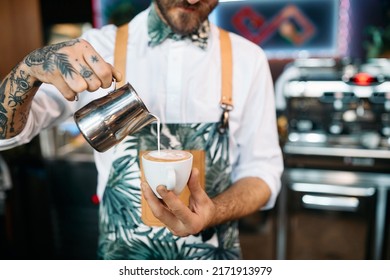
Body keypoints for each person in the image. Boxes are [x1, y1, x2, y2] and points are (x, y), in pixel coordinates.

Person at [0, 0, 283, 259]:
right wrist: (27, 71)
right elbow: (5, 135)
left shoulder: (248, 59)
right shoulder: (95, 48)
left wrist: (213, 213)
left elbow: (262, 173)